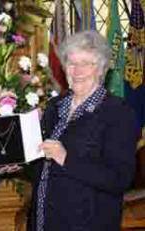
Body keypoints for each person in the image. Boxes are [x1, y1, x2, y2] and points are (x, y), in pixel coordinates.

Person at [28, 30, 137, 231]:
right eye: (71, 63)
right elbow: (41, 166)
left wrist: (66, 159)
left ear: (101, 69)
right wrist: (16, 158)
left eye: (86, 63)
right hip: (43, 221)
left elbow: (119, 179)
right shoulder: (54, 107)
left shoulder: (118, 114)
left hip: (88, 223)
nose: (77, 71)